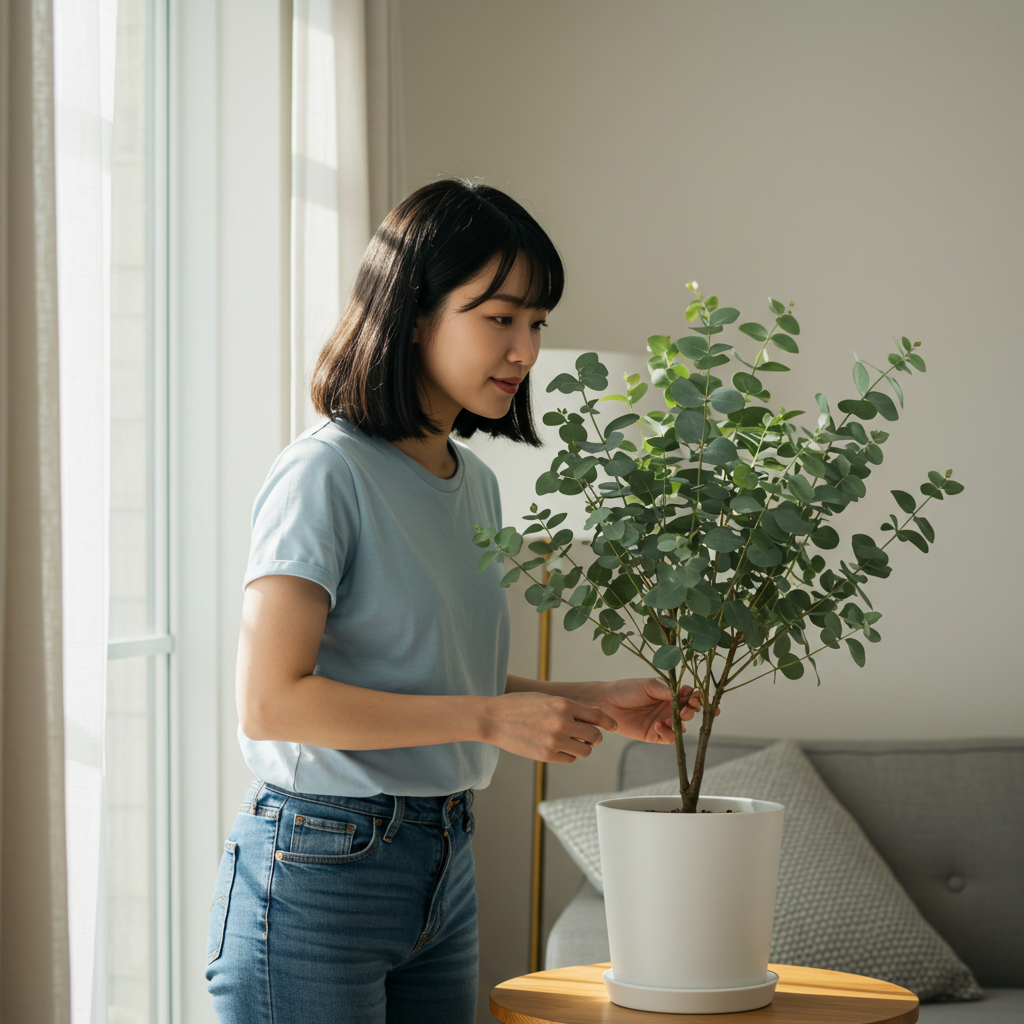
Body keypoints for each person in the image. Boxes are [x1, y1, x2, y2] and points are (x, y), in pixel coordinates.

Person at [205, 178, 703, 1024]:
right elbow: (270, 701)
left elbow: (432, 680)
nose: (526, 349)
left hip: (442, 859)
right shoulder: (325, 473)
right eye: (499, 317)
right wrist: (485, 722)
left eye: (537, 321)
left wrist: (587, 701)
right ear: (412, 314)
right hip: (322, 863)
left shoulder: (471, 483)